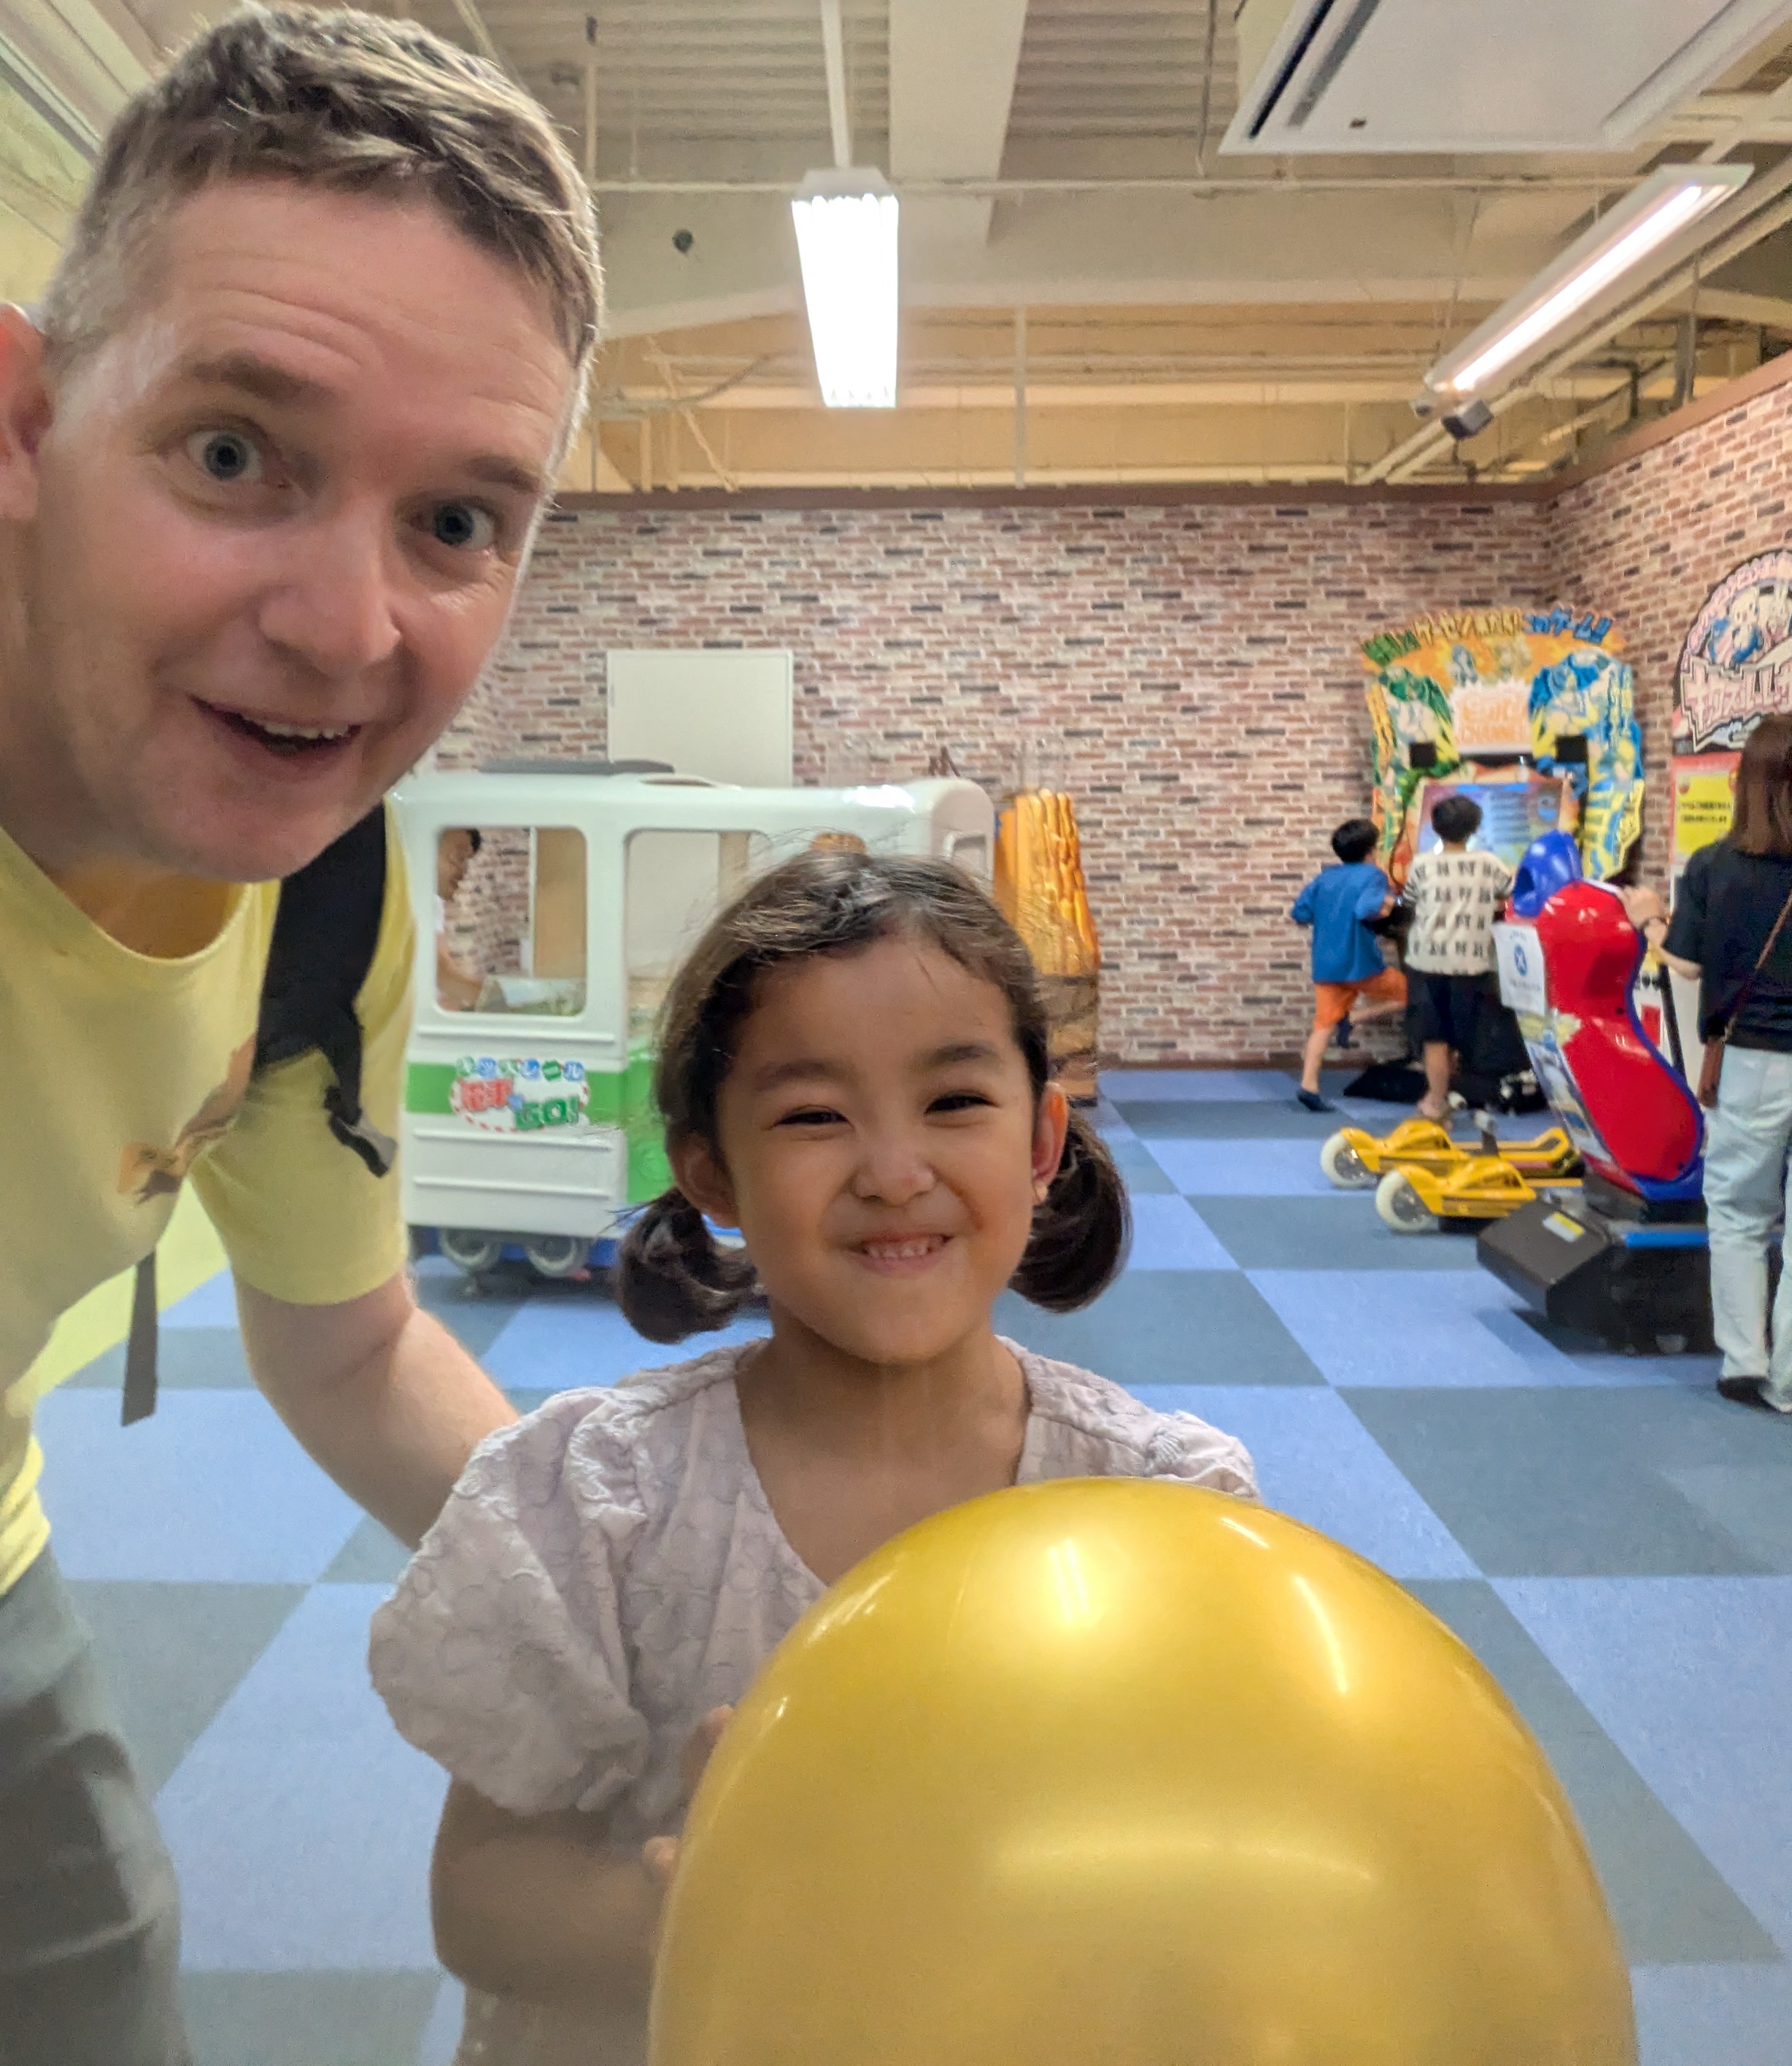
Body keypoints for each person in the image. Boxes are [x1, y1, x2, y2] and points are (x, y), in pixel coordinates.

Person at [0, 1, 601, 2065]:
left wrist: (678, 1589)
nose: (350, 630)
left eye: (457, 520)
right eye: (237, 454)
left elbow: (343, 1342)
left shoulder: (324, 896)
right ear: (21, 425)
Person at [370, 851, 1256, 2066]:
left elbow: (1227, 1880)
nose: (895, 1174)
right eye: (810, 1116)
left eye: (953, 1103)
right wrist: (681, 1911)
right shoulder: (601, 1507)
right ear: (709, 1172)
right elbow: (477, 1902)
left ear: (1043, 1137)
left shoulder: (1162, 1515)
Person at [1654, 712, 1792, 1414]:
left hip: (1755, 1060)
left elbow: (1681, 963)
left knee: (1741, 1213)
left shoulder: (1715, 864)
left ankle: (1744, 1360)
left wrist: (1651, 923)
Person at [1402, 794, 1514, 1124]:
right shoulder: (1491, 864)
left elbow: (1409, 900)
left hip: (1427, 962)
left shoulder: (1422, 865)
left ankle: (1436, 1103)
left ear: (1436, 829)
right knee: (1459, 1036)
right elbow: (1510, 894)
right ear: (1475, 827)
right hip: (1472, 964)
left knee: (1434, 1037)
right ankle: (1441, 1095)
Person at [1289, 816, 1405, 1112]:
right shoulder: (1373, 876)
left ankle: (1308, 1086)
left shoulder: (1325, 878)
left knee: (1322, 1025)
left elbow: (1300, 913)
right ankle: (1354, 1019)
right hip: (1359, 965)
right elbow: (1367, 909)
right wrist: (1389, 903)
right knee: (1412, 993)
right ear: (1370, 851)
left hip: (1326, 967)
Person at [438, 825, 486, 1010]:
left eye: (467, 860)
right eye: (458, 857)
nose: (464, 871)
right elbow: (443, 976)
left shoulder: (431, 904)